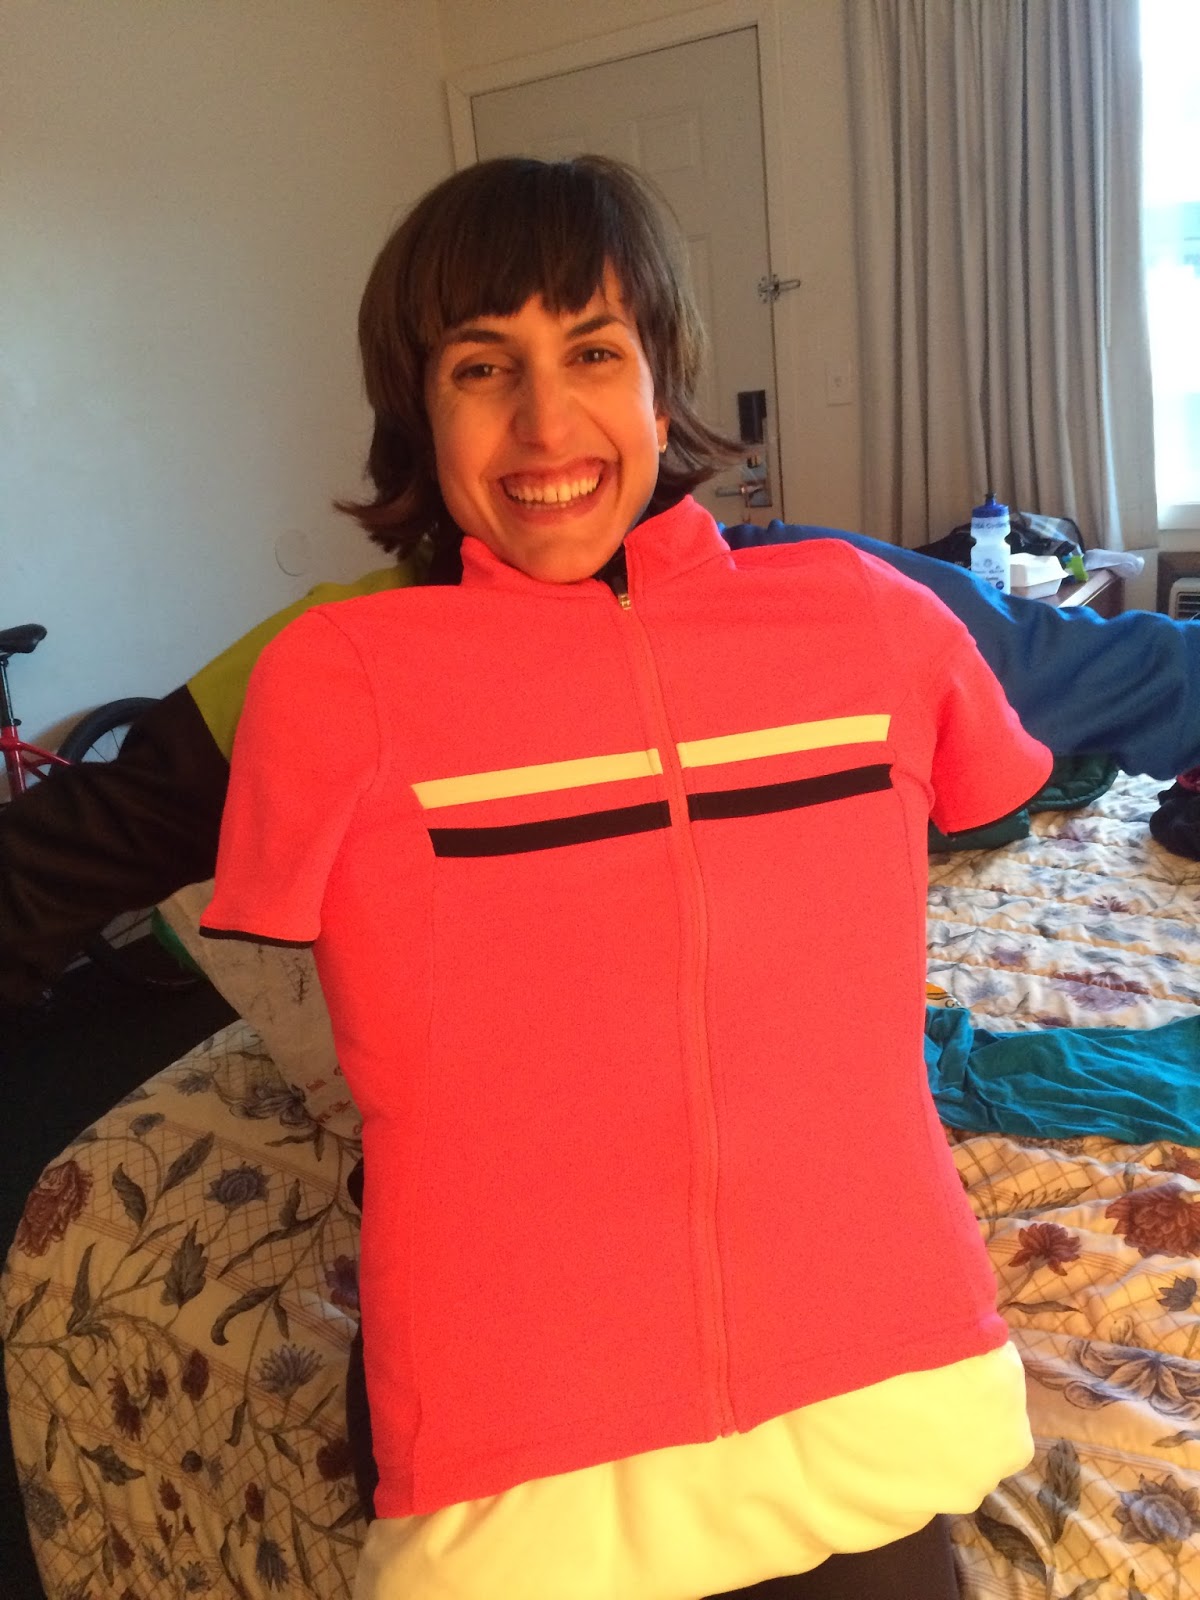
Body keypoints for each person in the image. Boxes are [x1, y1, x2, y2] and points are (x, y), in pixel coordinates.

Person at [197, 155, 1051, 1600]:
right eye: (483, 368)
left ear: (663, 385)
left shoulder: (872, 622)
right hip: (516, 1437)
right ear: (420, 410)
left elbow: (999, 781)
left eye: (592, 353)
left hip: (873, 1372)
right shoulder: (336, 680)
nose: (545, 423)